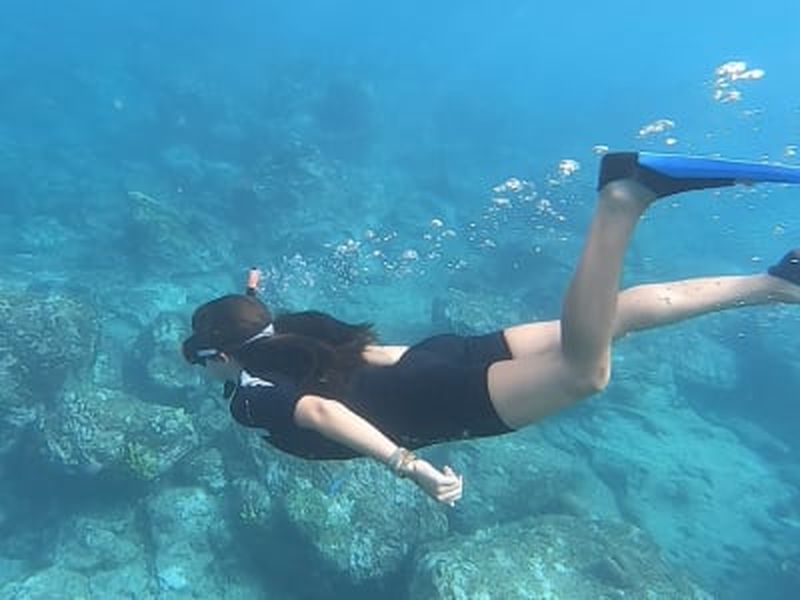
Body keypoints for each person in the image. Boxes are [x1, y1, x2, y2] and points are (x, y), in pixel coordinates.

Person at [182, 151, 800, 506]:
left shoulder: (248, 398)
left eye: (201, 358)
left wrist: (409, 467)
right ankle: (778, 283)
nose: (204, 369)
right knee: (616, 320)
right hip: (439, 359)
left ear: (222, 354)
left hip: (444, 400)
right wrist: (252, 290)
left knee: (587, 374)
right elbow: (256, 319)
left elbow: (317, 414)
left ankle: (623, 196)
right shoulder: (288, 330)